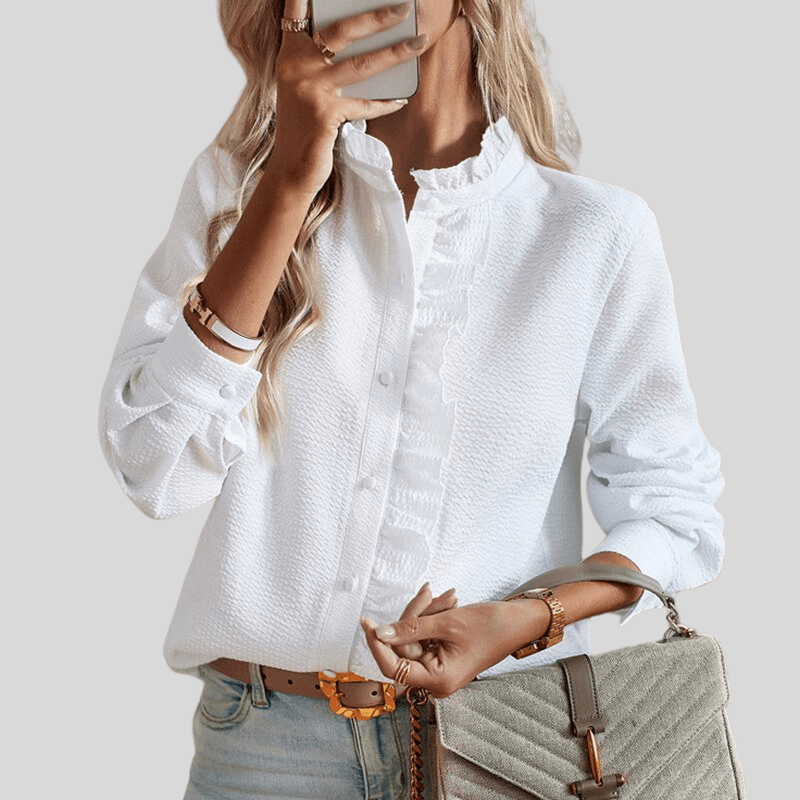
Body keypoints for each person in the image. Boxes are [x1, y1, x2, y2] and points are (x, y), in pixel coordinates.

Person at [99, 1, 724, 797]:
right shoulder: (236, 190)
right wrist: (288, 182)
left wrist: (526, 619)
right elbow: (153, 469)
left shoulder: (592, 232)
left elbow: (674, 512)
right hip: (262, 752)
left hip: (500, 746)